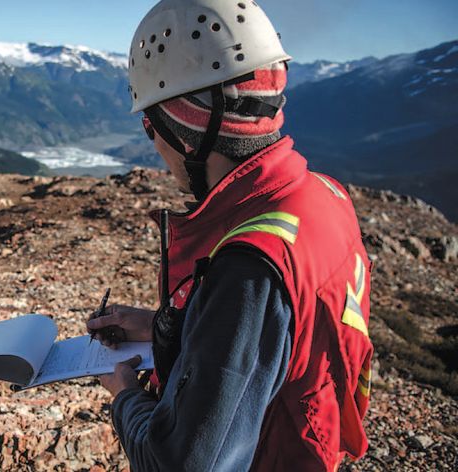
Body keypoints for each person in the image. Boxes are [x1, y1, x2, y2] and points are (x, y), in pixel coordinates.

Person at [86, 1, 373, 470]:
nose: (155, 148)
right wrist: (169, 328)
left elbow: (178, 463)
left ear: (186, 129)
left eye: (150, 127)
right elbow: (280, 347)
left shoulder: (250, 266)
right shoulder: (324, 196)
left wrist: (123, 396)